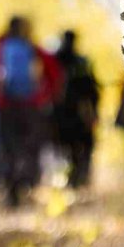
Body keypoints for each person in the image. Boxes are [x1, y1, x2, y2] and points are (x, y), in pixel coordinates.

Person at [0, 16, 62, 206]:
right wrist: (46, 96)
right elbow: (55, 74)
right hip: (31, 106)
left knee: (7, 149)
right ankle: (24, 184)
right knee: (28, 147)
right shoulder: (33, 49)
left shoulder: (0, 50)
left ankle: (10, 192)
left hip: (5, 106)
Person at [53, 30, 100, 187]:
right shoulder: (82, 62)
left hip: (62, 114)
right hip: (81, 112)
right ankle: (79, 177)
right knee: (83, 147)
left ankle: (73, 178)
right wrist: (93, 113)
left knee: (67, 148)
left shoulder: (55, 60)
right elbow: (93, 91)